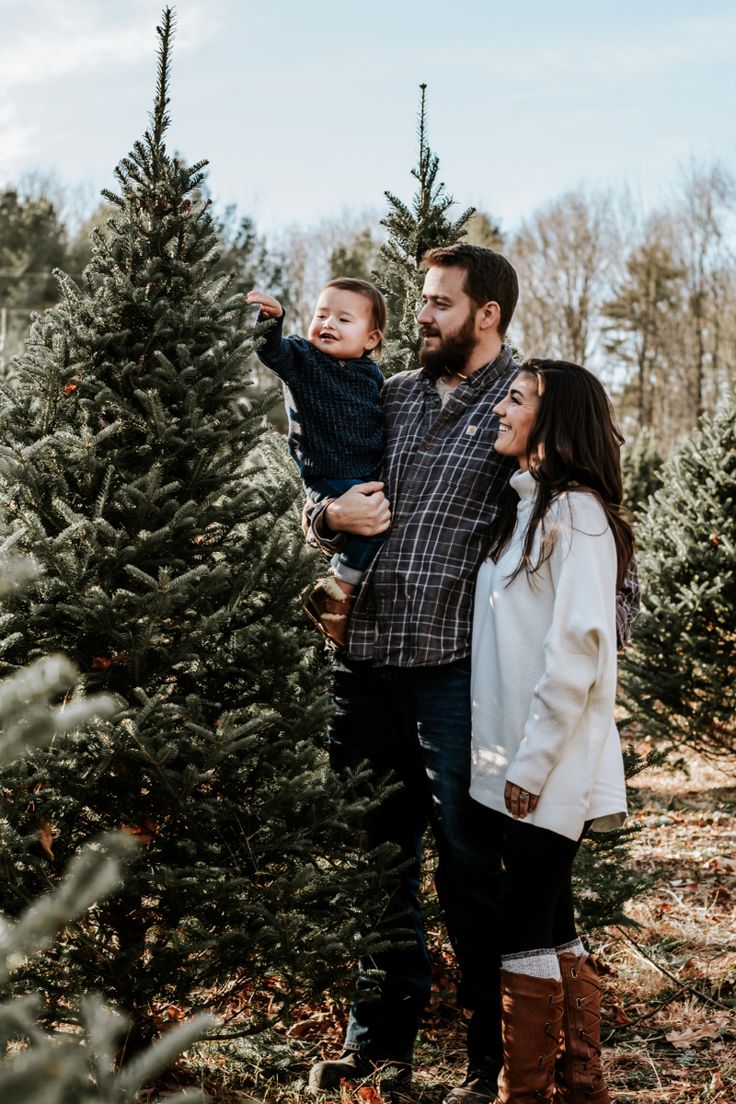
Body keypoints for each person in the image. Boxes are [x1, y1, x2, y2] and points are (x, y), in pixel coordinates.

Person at [303, 246, 639, 1102]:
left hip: (458, 682)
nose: (421, 316)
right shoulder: (393, 396)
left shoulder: (528, 405)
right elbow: (331, 465)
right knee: (380, 863)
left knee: (468, 870)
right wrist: (323, 516)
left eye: (439, 304)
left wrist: (586, 667)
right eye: (419, 301)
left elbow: (591, 547)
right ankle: (378, 1053)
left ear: (486, 313)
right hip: (367, 663)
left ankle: (495, 1064)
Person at [470, 359, 633, 1104]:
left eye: (516, 398)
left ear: (554, 418)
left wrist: (529, 766)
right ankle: (579, 1087)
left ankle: (526, 1093)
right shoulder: (534, 507)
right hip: (523, 758)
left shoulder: (576, 515)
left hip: (550, 763)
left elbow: (580, 650)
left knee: (523, 922)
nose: (500, 408)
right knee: (553, 918)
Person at [247, 278, 387, 646]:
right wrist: (271, 321)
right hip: (327, 473)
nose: (327, 324)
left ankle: (340, 590)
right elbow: (270, 351)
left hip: (364, 474)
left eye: (344, 319)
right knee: (371, 528)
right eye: (321, 314)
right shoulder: (302, 357)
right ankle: (336, 589)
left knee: (378, 522)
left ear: (370, 339)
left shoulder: (371, 375)